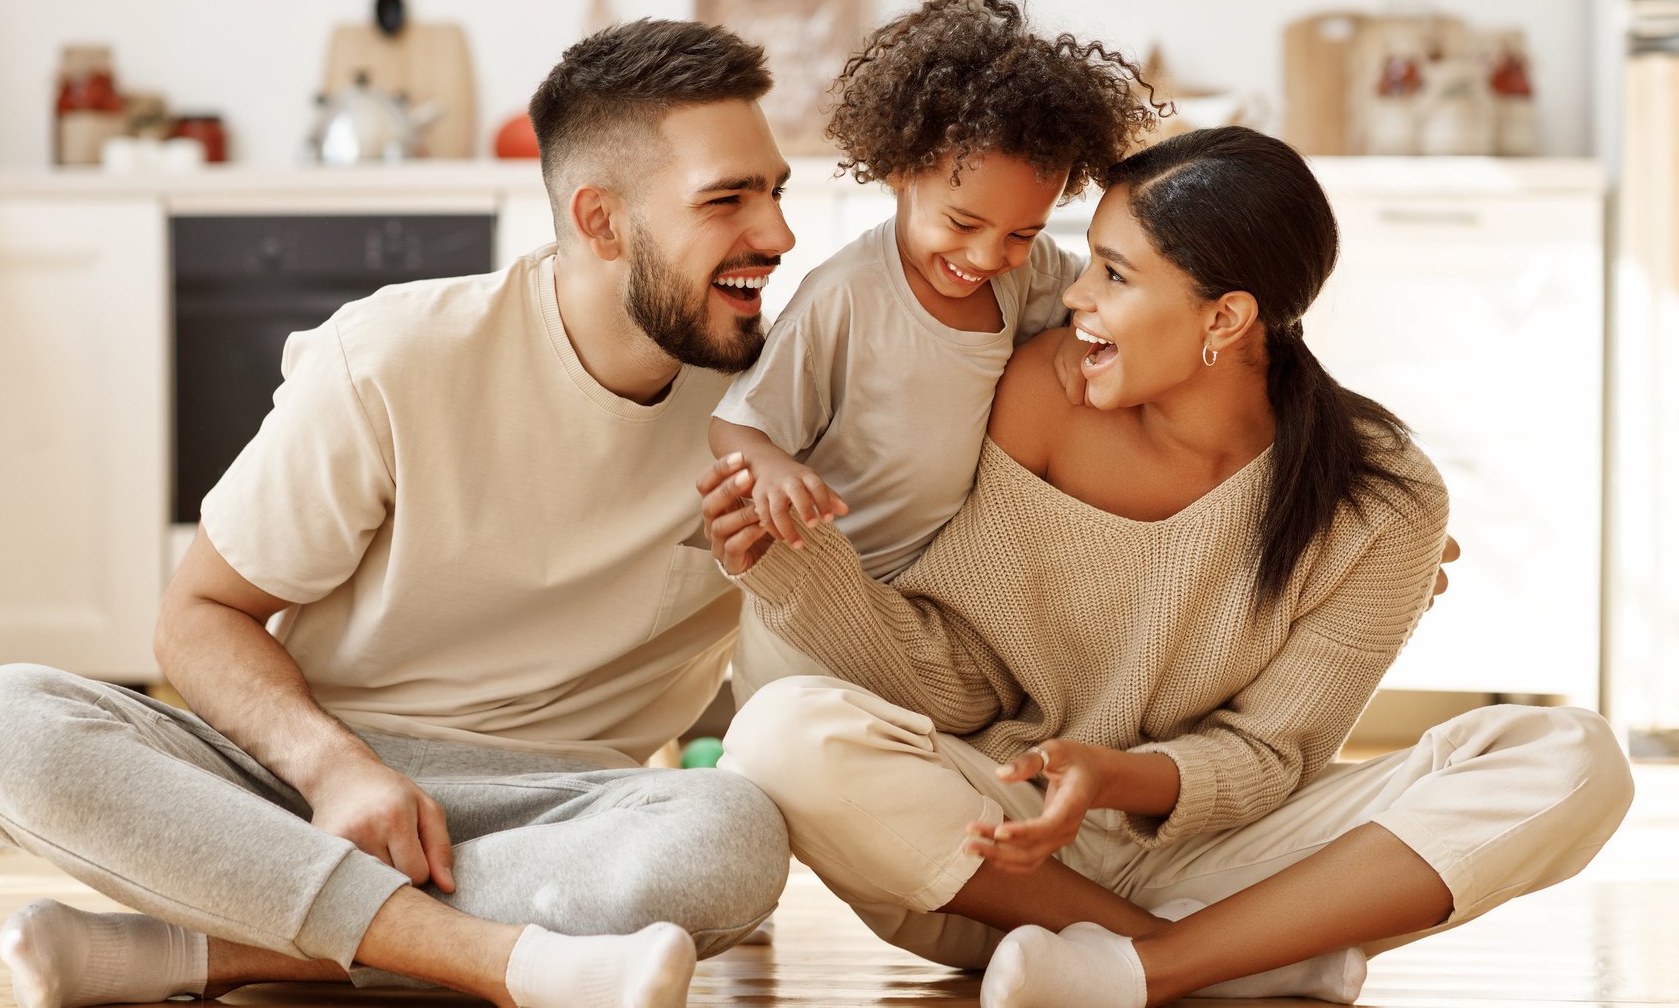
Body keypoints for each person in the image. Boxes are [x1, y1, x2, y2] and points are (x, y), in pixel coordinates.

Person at [700, 127, 1634, 1008]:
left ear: (1224, 318)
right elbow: (962, 675)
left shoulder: (1383, 499)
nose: (1074, 297)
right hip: (1000, 864)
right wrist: (793, 566)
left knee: (1575, 757)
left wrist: (1110, 777)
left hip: (1222, 853)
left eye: (1114, 274)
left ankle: (1152, 967)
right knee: (781, 733)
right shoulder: (1046, 395)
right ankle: (1221, 959)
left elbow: (1271, 757)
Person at [0, 18, 797, 1008]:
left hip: (563, 808)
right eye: (729, 199)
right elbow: (196, 617)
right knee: (11, 717)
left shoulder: (782, 401)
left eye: (774, 191)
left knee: (730, 838)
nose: (776, 235)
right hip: (307, 788)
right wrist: (336, 771)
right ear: (599, 221)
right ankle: (507, 962)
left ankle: (201, 946)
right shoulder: (392, 359)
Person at [708, 0, 1153, 701]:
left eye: (1022, 232)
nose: (985, 256)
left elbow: (1090, 300)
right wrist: (770, 468)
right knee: (799, 757)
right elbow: (735, 423)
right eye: (962, 223)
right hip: (812, 615)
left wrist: (1085, 335)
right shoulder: (846, 296)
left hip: (924, 607)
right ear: (899, 170)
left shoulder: (1025, 273)